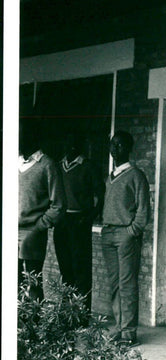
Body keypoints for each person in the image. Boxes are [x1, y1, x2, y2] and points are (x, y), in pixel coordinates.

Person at [100, 131, 150, 346]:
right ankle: (120, 327)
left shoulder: (136, 175)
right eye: (113, 145)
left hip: (125, 235)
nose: (115, 149)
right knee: (115, 284)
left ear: (129, 149)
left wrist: (132, 232)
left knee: (127, 284)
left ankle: (129, 333)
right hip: (108, 233)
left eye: (120, 145)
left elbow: (143, 211)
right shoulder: (110, 176)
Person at [53, 131, 104, 311]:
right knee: (65, 267)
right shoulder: (58, 166)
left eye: (75, 143)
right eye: (68, 142)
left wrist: (89, 217)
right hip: (62, 221)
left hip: (79, 220)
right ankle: (68, 312)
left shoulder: (89, 167)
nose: (71, 146)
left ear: (81, 146)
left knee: (81, 269)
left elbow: (101, 196)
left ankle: (81, 314)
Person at [18, 117, 66, 302]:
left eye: (20, 134)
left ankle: (34, 326)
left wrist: (40, 226)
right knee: (12, 284)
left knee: (32, 283)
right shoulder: (15, 163)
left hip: (32, 232)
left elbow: (59, 205)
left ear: (31, 136)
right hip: (11, 231)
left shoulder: (47, 165)